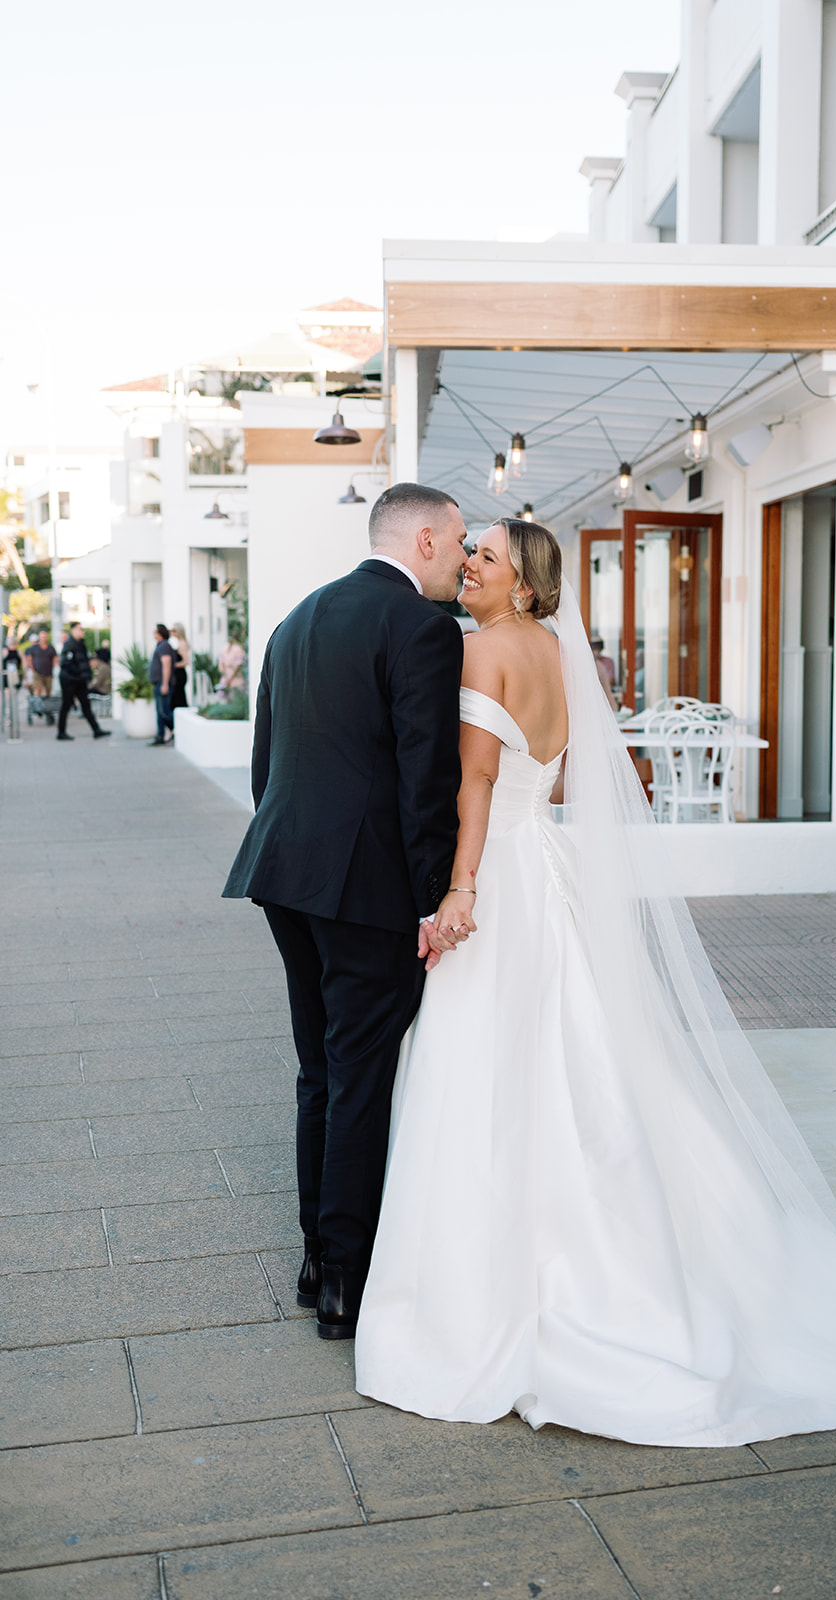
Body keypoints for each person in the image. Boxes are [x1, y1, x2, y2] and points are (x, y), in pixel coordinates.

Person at [354, 517, 836, 1478]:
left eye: (486, 558)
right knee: (573, 1054)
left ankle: (488, 1293)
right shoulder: (549, 651)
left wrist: (460, 892)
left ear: (528, 587)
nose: (468, 566)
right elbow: (577, 772)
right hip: (546, 868)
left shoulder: (488, 651)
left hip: (500, 877)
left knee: (493, 1067)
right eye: (469, 554)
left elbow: (476, 781)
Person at [222, 483, 469, 1341]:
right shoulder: (423, 628)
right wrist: (437, 898)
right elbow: (426, 780)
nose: (467, 560)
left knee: (319, 1070)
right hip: (366, 888)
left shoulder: (297, 620)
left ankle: (314, 1261)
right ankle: (345, 1282)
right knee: (359, 1075)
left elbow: (267, 761)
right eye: (463, 541)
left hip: (284, 871)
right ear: (427, 539)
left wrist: (293, 853)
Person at [56, 622, 110, 741]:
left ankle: (96, 730)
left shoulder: (81, 644)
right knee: (66, 705)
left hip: (79, 680)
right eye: (80, 629)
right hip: (70, 680)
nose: (83, 632)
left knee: (86, 705)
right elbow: (66, 664)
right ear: (73, 630)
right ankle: (61, 732)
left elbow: (84, 661)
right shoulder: (69, 645)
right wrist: (79, 674)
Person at [149, 624, 175, 745]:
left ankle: (176, 729)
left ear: (159, 633)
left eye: (154, 632)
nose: (153, 634)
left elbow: (166, 664)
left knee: (163, 711)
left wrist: (165, 684)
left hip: (162, 683)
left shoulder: (164, 646)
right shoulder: (161, 645)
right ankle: (160, 736)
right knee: (160, 712)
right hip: (158, 683)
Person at [590, 636, 619, 711]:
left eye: (598, 650)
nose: (596, 653)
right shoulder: (590, 663)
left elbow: (611, 680)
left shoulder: (607, 662)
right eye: (594, 650)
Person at [28, 630, 56, 700]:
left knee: (48, 689)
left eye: (45, 637)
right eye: (42, 637)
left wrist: (53, 667)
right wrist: (32, 668)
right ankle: (37, 705)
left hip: (48, 672)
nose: (44, 638)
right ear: (39, 638)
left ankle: (46, 706)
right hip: (37, 672)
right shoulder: (34, 648)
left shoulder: (51, 648)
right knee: (38, 689)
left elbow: (55, 659)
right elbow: (30, 659)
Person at [217, 634, 246, 699]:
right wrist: (230, 679)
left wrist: (226, 677)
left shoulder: (224, 648)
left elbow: (221, 666)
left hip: (225, 680)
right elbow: (239, 666)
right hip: (236, 681)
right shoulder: (238, 649)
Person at [169, 623, 190, 710]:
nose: (172, 632)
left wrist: (173, 665)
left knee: (179, 698)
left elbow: (186, 661)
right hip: (177, 674)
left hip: (180, 674)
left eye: (174, 630)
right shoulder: (178, 643)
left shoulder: (182, 643)